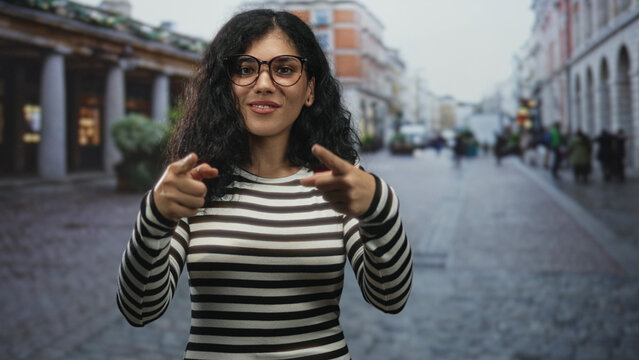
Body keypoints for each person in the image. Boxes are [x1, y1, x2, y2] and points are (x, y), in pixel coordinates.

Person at [115, 9, 413, 360]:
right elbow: (139, 309)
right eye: (245, 69)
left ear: (310, 90)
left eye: (284, 69)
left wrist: (379, 207)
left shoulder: (338, 181)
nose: (264, 83)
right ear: (226, 87)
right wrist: (155, 216)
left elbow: (389, 297)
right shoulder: (195, 180)